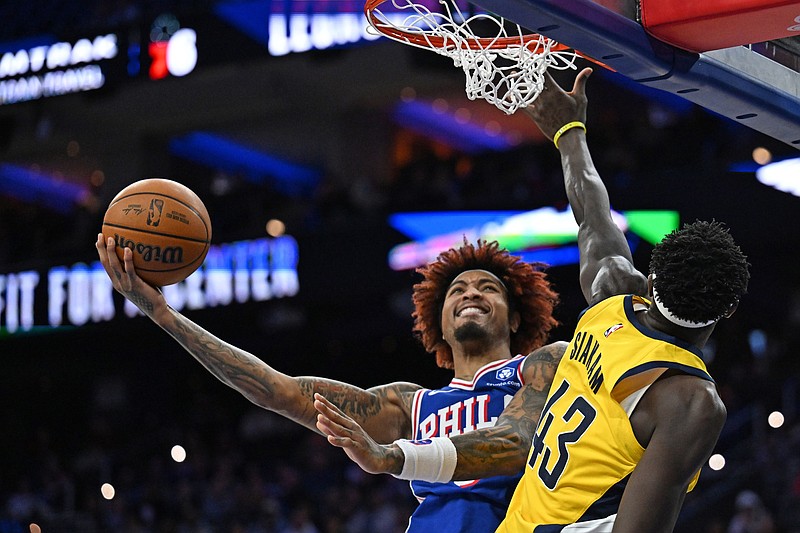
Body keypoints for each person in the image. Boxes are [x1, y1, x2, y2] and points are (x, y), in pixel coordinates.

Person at [313, 67, 751, 533]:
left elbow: (592, 213)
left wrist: (569, 132)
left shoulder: (614, 297)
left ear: (652, 278)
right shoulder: (691, 401)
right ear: (728, 310)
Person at [95, 234, 564, 532]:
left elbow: (516, 440)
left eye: (487, 288)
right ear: (439, 324)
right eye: (457, 291)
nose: (470, 294)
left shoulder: (537, 368)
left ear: (517, 316)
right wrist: (163, 315)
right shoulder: (410, 405)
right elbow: (277, 390)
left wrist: (392, 457)